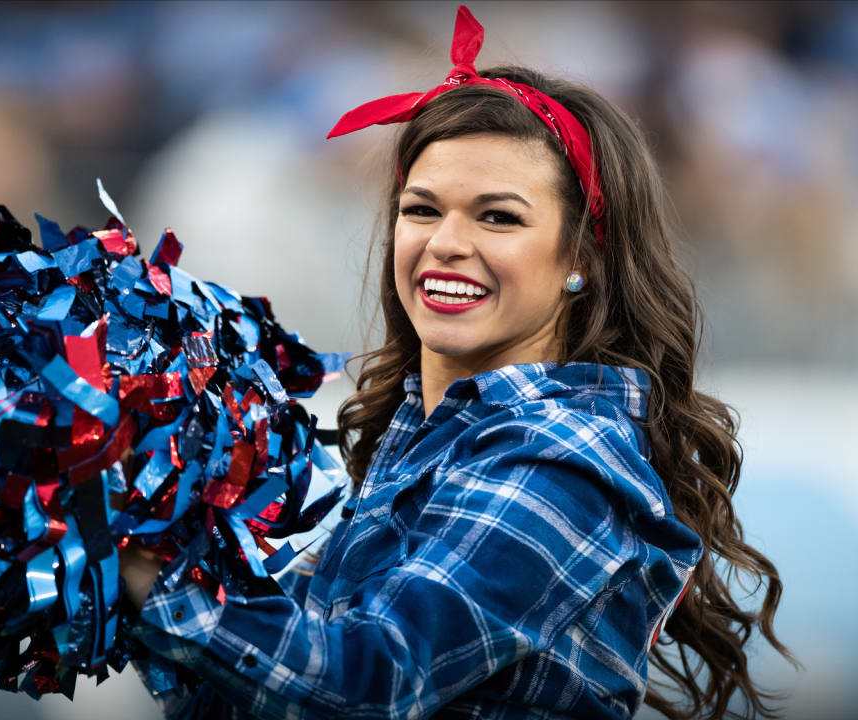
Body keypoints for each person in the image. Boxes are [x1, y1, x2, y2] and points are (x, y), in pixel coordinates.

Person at [119, 6, 792, 718]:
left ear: (582, 260)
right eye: (421, 210)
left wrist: (149, 580)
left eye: (497, 216)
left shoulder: (560, 461)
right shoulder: (433, 431)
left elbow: (368, 685)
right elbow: (259, 683)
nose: (445, 243)